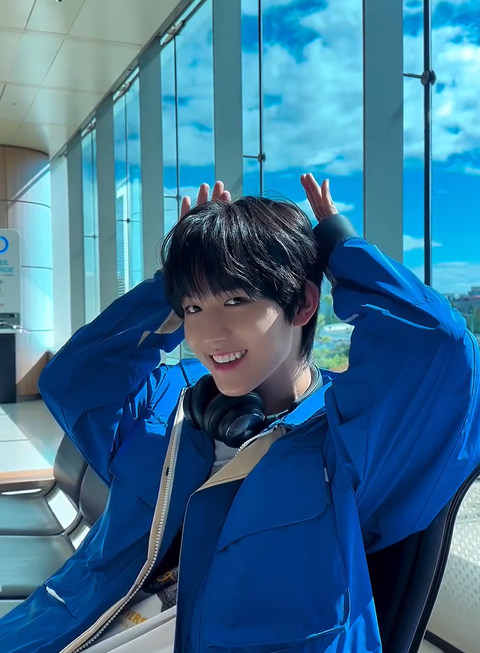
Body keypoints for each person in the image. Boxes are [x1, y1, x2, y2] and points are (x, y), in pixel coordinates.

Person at [0, 174, 479, 653]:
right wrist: (178, 275)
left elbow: (441, 349)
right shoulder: (170, 403)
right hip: (68, 629)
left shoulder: (345, 437)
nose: (210, 334)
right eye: (193, 308)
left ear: (303, 303)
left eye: (235, 300)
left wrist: (341, 247)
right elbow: (75, 378)